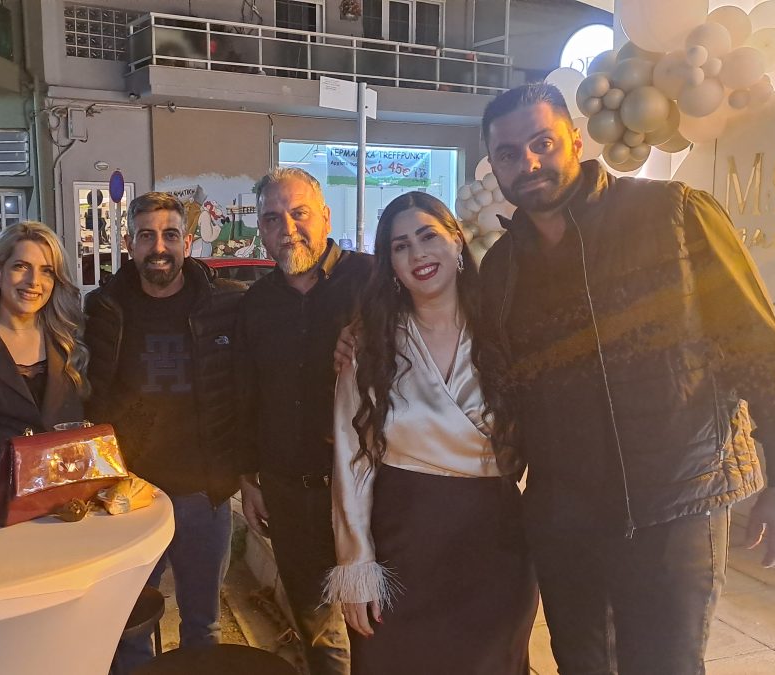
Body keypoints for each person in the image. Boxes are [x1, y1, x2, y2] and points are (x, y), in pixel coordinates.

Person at [476, 83, 775, 673]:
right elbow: (493, 380)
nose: (528, 163)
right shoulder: (502, 267)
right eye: (508, 154)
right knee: (581, 666)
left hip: (674, 503)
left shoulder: (672, 213)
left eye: (542, 143)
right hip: (564, 518)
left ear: (575, 142)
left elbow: (756, 340)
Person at [326, 192, 537, 674]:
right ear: (390, 265)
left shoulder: (506, 331)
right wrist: (355, 562)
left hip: (495, 550)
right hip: (401, 547)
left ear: (457, 241)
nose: (417, 253)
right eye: (400, 246)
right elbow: (351, 459)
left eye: (428, 236)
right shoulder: (369, 344)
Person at [83, 192, 245, 672]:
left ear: (187, 243)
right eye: (147, 235)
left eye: (170, 235)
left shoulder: (224, 304)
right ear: (129, 243)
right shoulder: (103, 307)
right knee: (128, 623)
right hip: (130, 494)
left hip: (203, 493)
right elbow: (87, 391)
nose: (159, 247)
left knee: (203, 626)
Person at [237, 167, 373, 675]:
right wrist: (248, 477)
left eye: (299, 213)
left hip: (365, 489)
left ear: (326, 217)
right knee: (316, 627)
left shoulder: (372, 281)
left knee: (376, 621)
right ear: (261, 229)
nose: (288, 229)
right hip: (289, 493)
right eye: (273, 219)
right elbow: (247, 394)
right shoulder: (255, 303)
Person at [0, 221, 88, 462]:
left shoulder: (70, 340)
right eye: (21, 266)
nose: (33, 281)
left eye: (46, 271)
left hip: (62, 480)